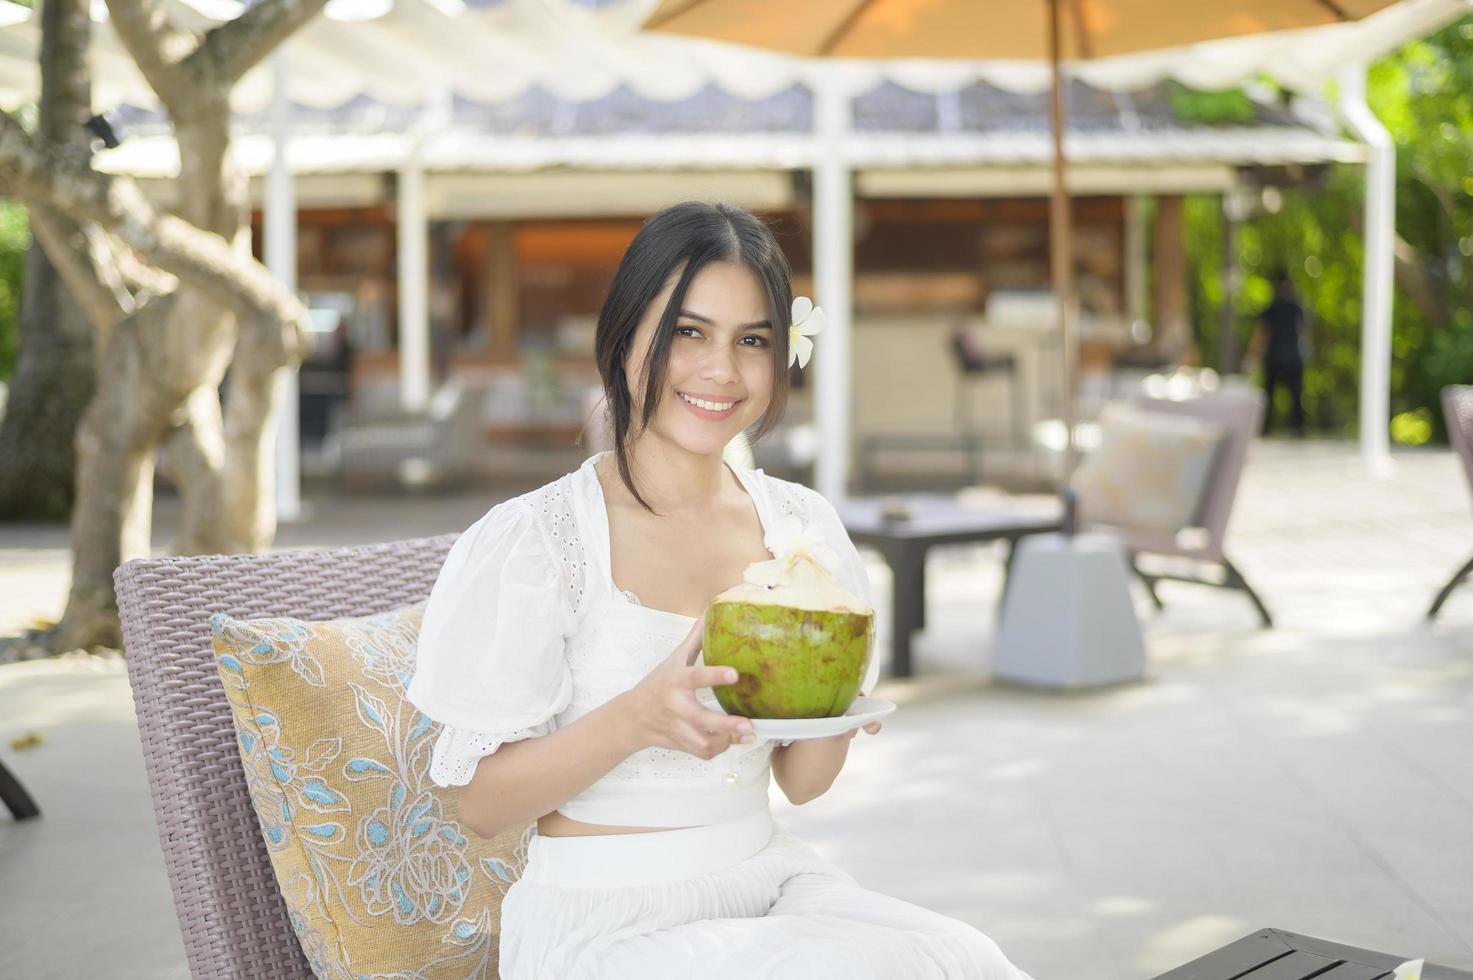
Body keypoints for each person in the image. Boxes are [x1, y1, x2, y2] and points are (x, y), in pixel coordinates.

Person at [406, 202, 1035, 980]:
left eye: (752, 342)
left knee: (962, 959)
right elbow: (481, 807)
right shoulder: (538, 541)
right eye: (688, 333)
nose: (721, 372)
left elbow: (803, 787)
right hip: (605, 925)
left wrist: (835, 702)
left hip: (767, 886)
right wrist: (635, 720)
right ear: (625, 335)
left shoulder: (799, 531)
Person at [1249, 271, 1308, 436]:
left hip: (1276, 358)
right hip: (1293, 358)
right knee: (1295, 395)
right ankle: (1297, 427)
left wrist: (1253, 356)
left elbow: (1262, 335)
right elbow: (1303, 333)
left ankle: (1265, 428)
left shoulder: (1272, 309)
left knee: (1269, 394)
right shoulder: (1296, 308)